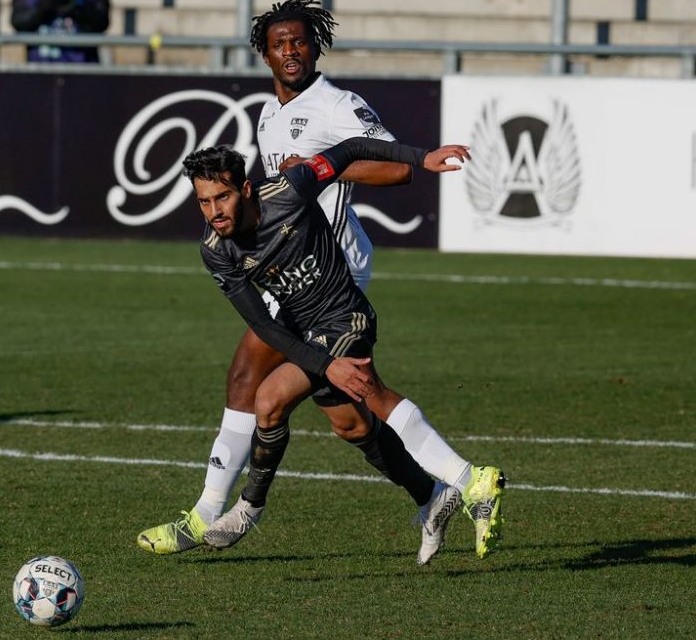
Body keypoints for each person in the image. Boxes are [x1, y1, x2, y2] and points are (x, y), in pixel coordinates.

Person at [136, 0, 501, 564]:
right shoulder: (269, 113)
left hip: (333, 269)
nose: (291, 52)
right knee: (352, 424)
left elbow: (392, 165)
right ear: (264, 52)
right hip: (288, 270)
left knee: (253, 381)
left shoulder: (336, 104)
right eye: (279, 44)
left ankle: (213, 511)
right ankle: (434, 493)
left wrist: (317, 169)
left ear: (315, 47)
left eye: (300, 41)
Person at [181, 139, 505, 555]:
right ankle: (434, 496)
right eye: (204, 202)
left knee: (271, 398)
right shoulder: (215, 249)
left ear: (244, 189)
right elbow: (261, 323)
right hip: (305, 332)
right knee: (351, 425)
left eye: (222, 197)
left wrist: (421, 159)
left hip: (345, 316)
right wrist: (324, 364)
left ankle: (250, 507)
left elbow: (351, 149)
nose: (215, 212)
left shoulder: (291, 188)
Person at [10, 0, 110, 64]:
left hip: (83, 67)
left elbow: (102, 22)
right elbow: (19, 22)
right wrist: (43, 6)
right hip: (42, 66)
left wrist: (79, 9)